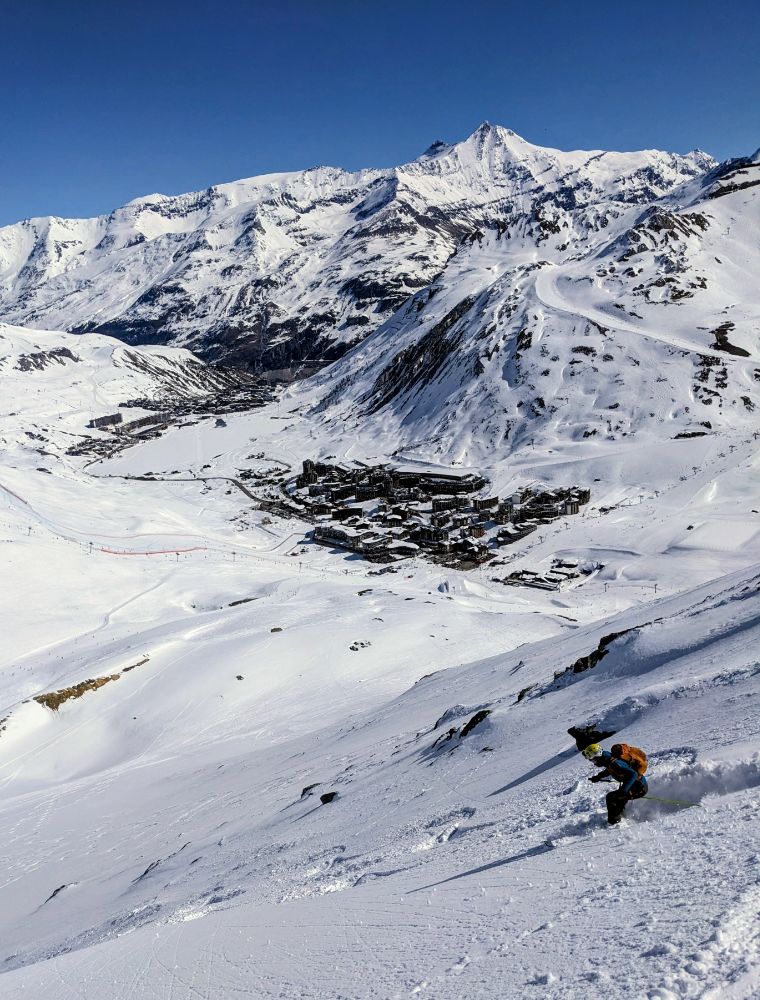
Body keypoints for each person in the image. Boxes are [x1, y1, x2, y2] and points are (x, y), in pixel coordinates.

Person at [581, 742, 648, 825]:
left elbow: (633, 774)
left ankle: (614, 822)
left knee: (611, 797)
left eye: (592, 759)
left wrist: (624, 790)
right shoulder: (608, 759)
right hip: (633, 786)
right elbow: (610, 770)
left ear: (597, 756)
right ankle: (619, 817)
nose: (593, 762)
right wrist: (598, 777)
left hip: (639, 787)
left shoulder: (615, 763)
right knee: (618, 799)